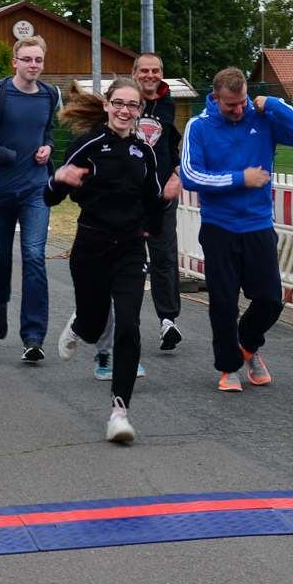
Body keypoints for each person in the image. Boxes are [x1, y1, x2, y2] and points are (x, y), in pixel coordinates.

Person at [47, 80, 169, 443]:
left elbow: (153, 201)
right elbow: (51, 197)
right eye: (118, 103)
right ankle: (80, 324)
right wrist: (58, 178)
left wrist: (163, 204)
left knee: (129, 324)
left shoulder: (144, 152)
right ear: (106, 105)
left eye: (132, 106)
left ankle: (119, 411)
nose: (124, 111)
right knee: (93, 324)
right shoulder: (87, 144)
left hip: (129, 249)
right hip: (91, 247)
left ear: (139, 111)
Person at [180, 68, 293, 392]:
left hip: (258, 224)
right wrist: (241, 178)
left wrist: (275, 104)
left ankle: (247, 345)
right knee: (224, 302)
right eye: (231, 105)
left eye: (242, 102)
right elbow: (190, 176)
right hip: (219, 225)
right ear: (216, 98)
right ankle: (229, 368)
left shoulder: (262, 118)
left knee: (270, 298)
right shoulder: (198, 126)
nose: (238, 109)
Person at [0, 36, 62, 363]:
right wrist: (3, 155)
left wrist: (48, 147)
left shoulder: (50, 94)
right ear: (15, 62)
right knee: (0, 253)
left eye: (38, 60)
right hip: (0, 188)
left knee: (33, 256)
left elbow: (46, 131)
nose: (33, 65)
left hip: (36, 188)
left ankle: (33, 336)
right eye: (27, 59)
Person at [130, 52, 185, 356]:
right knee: (130, 260)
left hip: (161, 195)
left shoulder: (167, 104)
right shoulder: (125, 101)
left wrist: (176, 173)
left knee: (164, 258)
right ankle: (126, 322)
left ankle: (168, 320)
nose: (150, 75)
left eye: (156, 70)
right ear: (134, 73)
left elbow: (170, 143)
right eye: (144, 70)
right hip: (129, 195)